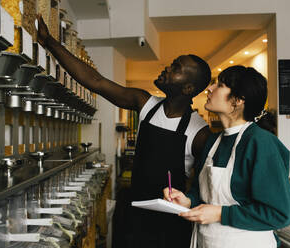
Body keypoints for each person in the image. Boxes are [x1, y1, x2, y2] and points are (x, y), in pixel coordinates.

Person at [36, 16, 212, 248]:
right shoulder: (145, 103)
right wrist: (50, 42)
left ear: (188, 88)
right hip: (134, 213)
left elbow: (206, 185)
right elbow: (96, 81)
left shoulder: (199, 132)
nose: (167, 68)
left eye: (176, 68)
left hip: (169, 226)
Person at [163, 65, 290, 248]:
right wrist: (186, 201)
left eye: (220, 85)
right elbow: (200, 192)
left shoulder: (260, 143)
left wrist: (220, 214)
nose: (210, 89)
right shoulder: (212, 142)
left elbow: (281, 213)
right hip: (206, 241)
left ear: (238, 100)